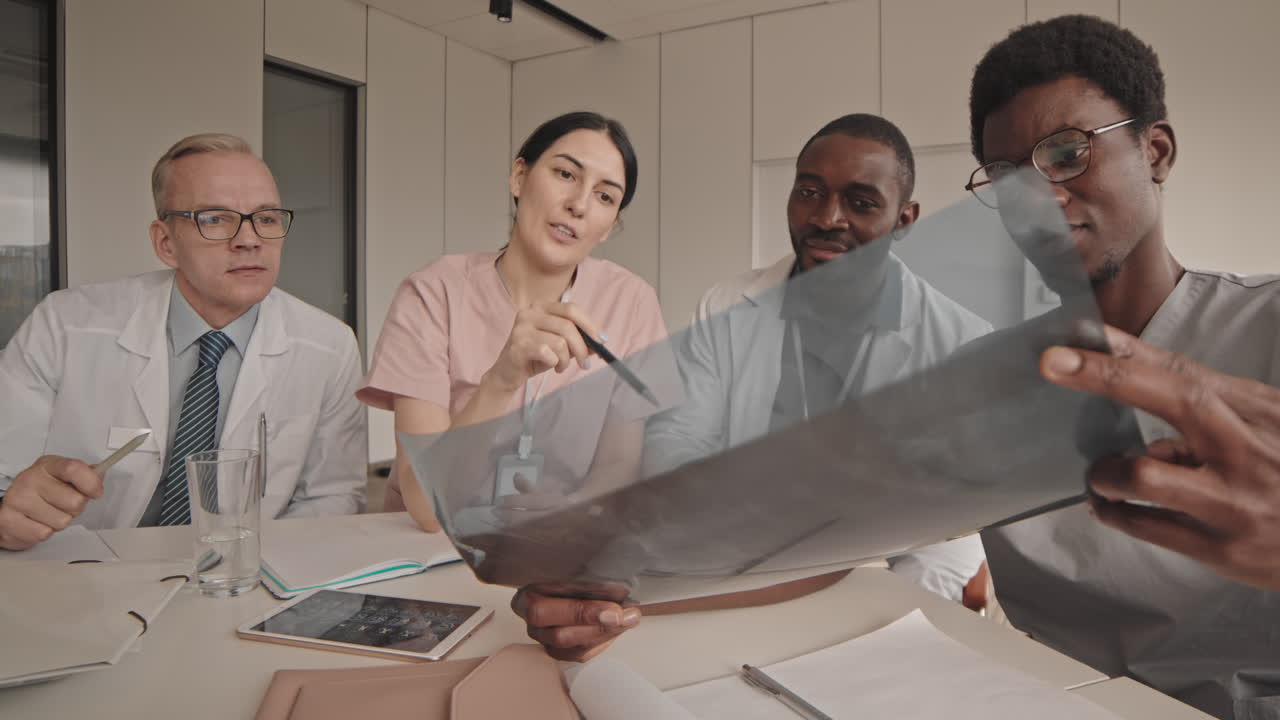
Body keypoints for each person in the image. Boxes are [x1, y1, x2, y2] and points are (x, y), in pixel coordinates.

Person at [516, 114, 994, 661]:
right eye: (809, 192)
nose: (827, 218)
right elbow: (676, 443)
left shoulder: (959, 343)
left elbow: (942, 526)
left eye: (861, 202)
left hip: (885, 585)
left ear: (905, 220)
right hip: (735, 562)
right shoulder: (724, 306)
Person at [966, 16, 1279, 719]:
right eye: (1009, 177)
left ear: (1157, 151)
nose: (1041, 198)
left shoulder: (1268, 327)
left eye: (1069, 153)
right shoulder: (984, 381)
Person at [0, 133, 367, 549]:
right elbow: (5, 479)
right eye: (215, 218)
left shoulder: (329, 345)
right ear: (166, 243)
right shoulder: (65, 325)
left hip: (250, 575)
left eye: (265, 218)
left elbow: (332, 496)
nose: (249, 239)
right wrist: (9, 512)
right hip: (84, 576)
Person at [357, 111, 669, 535]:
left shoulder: (631, 301)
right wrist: (500, 380)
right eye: (565, 173)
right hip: (431, 551)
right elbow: (428, 510)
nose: (578, 204)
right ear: (519, 177)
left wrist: (574, 509)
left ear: (609, 227)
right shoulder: (433, 293)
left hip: (563, 542)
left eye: (605, 197)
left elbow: (621, 463)